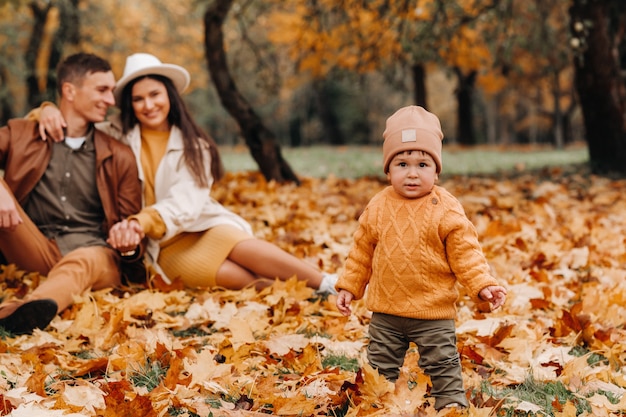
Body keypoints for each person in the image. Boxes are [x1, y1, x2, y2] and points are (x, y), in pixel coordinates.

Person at [36, 53, 337, 293]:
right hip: (161, 245)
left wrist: (141, 222)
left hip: (198, 224)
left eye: (155, 94)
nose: (148, 105)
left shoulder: (195, 144)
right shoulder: (112, 133)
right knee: (239, 279)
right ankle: (304, 293)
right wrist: (45, 109)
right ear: (129, 104)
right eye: (138, 99)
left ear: (169, 95)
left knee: (240, 247)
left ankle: (325, 283)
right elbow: (71, 118)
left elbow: (187, 202)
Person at [334, 106, 507, 410]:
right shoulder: (378, 206)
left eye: (423, 164)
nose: (412, 172)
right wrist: (349, 286)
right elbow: (361, 251)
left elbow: (466, 254)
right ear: (388, 170)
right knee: (378, 369)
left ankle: (451, 407)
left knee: (443, 366)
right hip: (386, 313)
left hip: (433, 313)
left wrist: (482, 285)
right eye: (402, 163)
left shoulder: (446, 207)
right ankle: (373, 407)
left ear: (436, 170)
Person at [0, 52, 144, 335]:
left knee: (84, 260)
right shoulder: (22, 133)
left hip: (96, 256)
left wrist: (129, 244)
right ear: (69, 90)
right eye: (101, 90)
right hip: (36, 246)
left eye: (111, 92)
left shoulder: (119, 155)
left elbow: (131, 231)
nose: (111, 101)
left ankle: (28, 310)